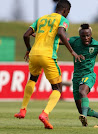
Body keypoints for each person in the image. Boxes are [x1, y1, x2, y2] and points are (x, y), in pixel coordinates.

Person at [14, 0, 83, 129]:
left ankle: (23, 109)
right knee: (57, 88)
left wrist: (28, 49)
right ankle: (45, 114)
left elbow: (26, 35)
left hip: (34, 54)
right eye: (68, 12)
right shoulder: (62, 19)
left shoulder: (41, 19)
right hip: (48, 56)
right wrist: (72, 51)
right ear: (66, 10)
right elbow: (61, 33)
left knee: (33, 79)